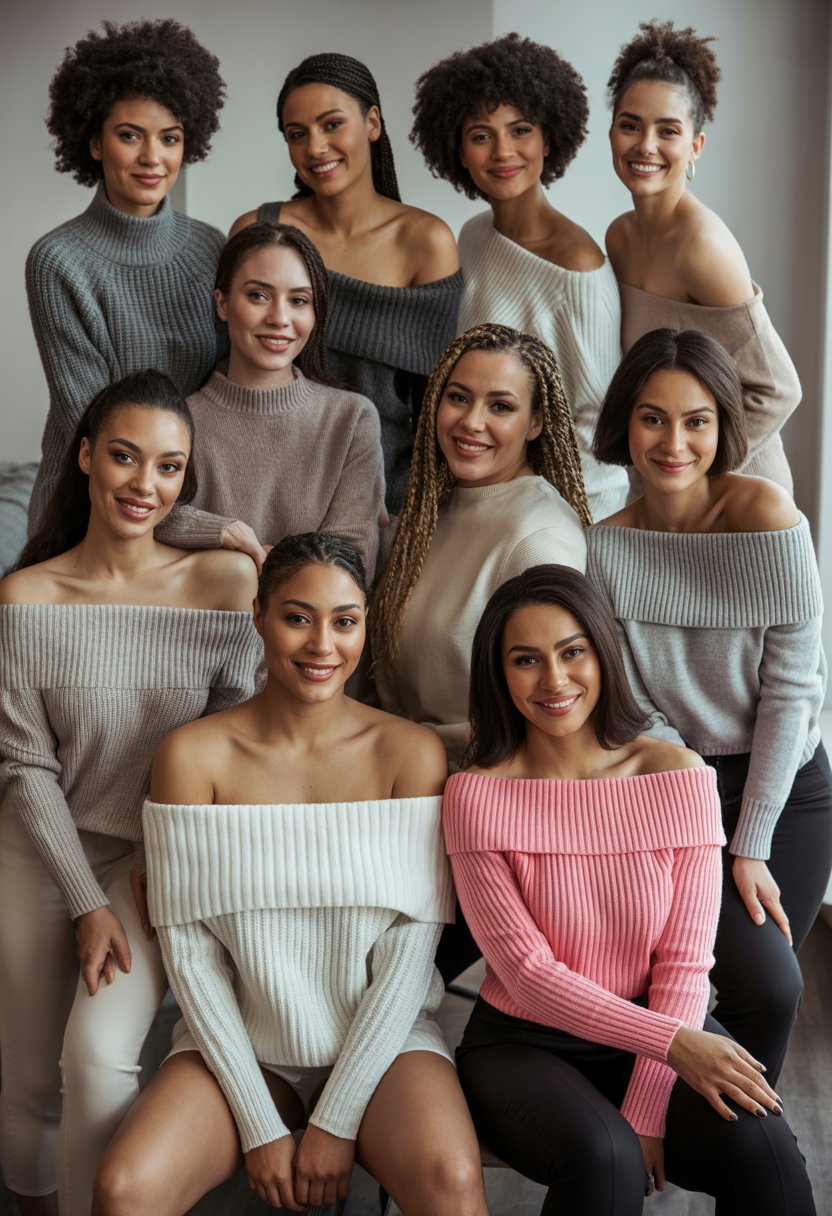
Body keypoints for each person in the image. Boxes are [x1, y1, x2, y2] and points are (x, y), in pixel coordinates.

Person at [91, 532, 488, 1216]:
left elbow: (407, 956)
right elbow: (191, 954)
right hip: (241, 1045)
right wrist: (258, 1123)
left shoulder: (410, 752)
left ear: (366, 621)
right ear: (259, 616)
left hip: (385, 1043)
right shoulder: (192, 756)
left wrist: (335, 1120)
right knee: (124, 1190)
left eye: (345, 620)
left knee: (452, 1181)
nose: (322, 646)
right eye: (297, 617)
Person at [444, 563, 816, 1214]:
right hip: (523, 1043)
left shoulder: (677, 775)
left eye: (572, 652)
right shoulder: (476, 795)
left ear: (602, 654)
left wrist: (648, 1106)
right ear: (498, 674)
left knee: (765, 1150)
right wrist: (674, 1049)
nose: (554, 681)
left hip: (656, 1026)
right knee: (606, 1157)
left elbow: (684, 962)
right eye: (526, 659)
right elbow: (528, 976)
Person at [0, 371, 261, 1216]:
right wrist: (84, 901)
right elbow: (24, 766)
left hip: (157, 859)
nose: (144, 485)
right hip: (41, 851)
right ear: (83, 457)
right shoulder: (26, 597)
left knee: (101, 1056)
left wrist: (158, 874)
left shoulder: (224, 585)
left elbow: (236, 744)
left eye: (169, 467)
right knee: (32, 1077)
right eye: (123, 457)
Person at [587, 327, 831, 1088]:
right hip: (674, 783)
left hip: (784, 786)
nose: (674, 441)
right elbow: (626, 699)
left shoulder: (768, 517)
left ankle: (741, 1148)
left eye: (697, 420)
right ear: (625, 422)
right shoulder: (605, 547)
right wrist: (694, 799)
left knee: (770, 984)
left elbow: (793, 690)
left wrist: (748, 842)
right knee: (704, 978)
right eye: (653, 417)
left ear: (723, 426)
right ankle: (688, 1123)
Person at [24, 18, 259, 567]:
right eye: (130, 135)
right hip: (89, 516)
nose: (153, 157)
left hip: (185, 503)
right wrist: (204, 524)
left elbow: (228, 393)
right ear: (93, 142)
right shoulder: (58, 261)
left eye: (170, 138)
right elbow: (96, 429)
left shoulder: (211, 247)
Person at [230, 52, 461, 514]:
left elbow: (433, 406)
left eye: (331, 124)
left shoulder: (425, 241)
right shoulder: (258, 230)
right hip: (259, 485)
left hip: (380, 499)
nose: (315, 147)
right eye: (297, 134)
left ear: (372, 122)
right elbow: (227, 368)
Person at [411, 32, 629, 520]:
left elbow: (598, 428)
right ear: (459, 151)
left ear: (548, 137)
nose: (503, 152)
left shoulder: (578, 268)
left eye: (521, 130)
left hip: (556, 511)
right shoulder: (471, 236)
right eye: (481, 135)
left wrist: (559, 525)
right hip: (476, 489)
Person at [372, 323, 590, 771]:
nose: (471, 421)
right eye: (458, 397)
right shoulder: (428, 513)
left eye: (501, 406)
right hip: (409, 775)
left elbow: (552, 705)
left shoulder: (540, 537)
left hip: (484, 785)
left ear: (536, 423)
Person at [606, 19, 799, 492]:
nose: (645, 146)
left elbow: (778, 389)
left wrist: (700, 477)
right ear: (611, 132)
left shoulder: (703, 248)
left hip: (734, 489)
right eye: (630, 125)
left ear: (695, 146)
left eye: (667, 130)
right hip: (667, 483)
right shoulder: (619, 238)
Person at [157, 222, 386, 576]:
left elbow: (353, 563)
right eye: (258, 295)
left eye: (298, 301)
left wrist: (258, 563)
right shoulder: (178, 422)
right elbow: (144, 515)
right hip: (202, 627)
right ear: (222, 303)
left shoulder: (351, 418)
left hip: (315, 628)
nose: (280, 318)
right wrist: (223, 531)